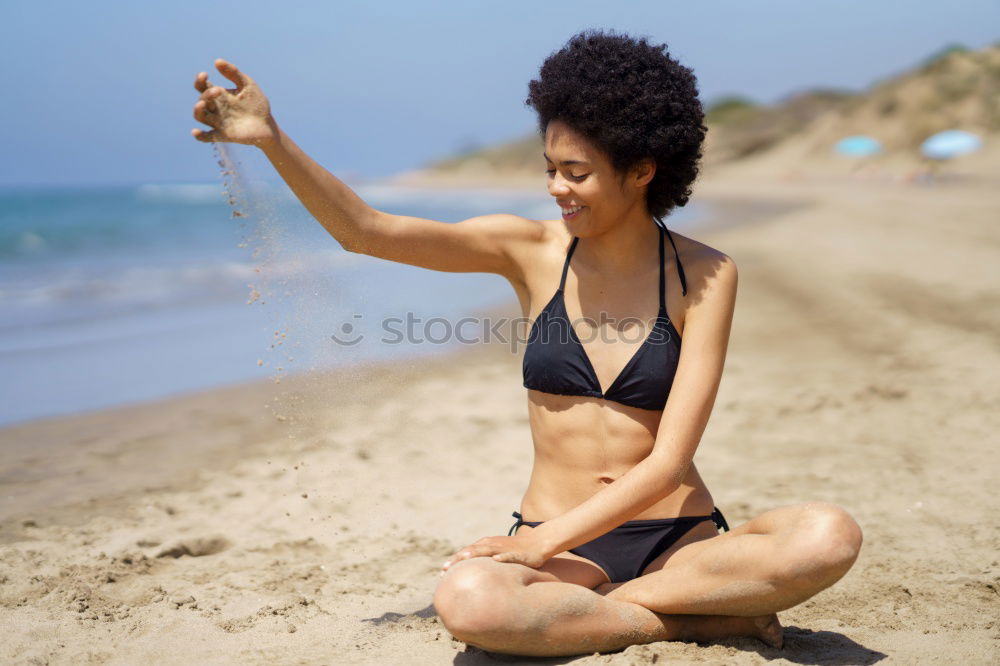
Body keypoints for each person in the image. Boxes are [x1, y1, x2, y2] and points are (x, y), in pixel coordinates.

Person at [191, 29, 862, 658]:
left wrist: (537, 552)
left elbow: (667, 461)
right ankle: (688, 618)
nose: (555, 188)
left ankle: (629, 607)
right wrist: (271, 139)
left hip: (677, 539)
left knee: (828, 535)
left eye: (575, 172)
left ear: (642, 171)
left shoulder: (705, 274)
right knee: (470, 602)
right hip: (565, 545)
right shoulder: (530, 251)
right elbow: (365, 231)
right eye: (549, 168)